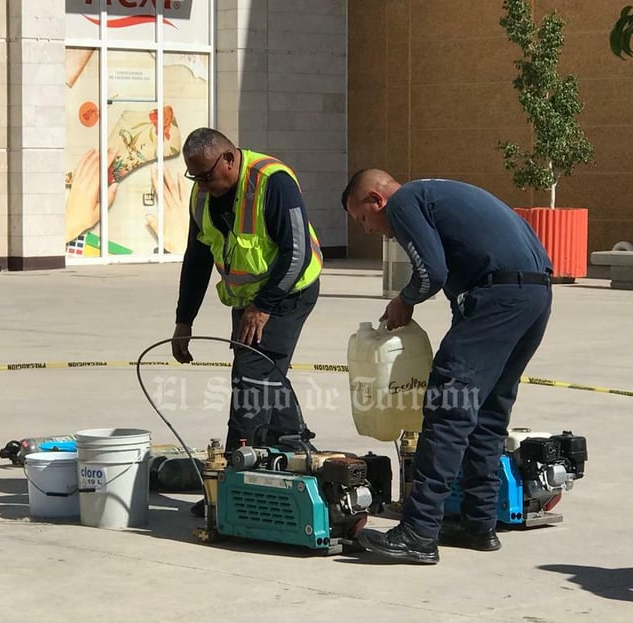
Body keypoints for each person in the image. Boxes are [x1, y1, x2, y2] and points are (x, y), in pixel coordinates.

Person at [342, 169, 552, 564]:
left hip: (496, 298)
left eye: (362, 219)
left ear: (376, 200)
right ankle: (479, 524)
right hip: (534, 294)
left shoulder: (405, 202)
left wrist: (404, 300)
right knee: (488, 413)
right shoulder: (438, 194)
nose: (369, 230)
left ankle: (419, 531)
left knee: (447, 408)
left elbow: (431, 273)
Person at [171, 128, 323, 493]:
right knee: (267, 374)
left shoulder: (273, 181)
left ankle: (233, 487)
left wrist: (264, 306)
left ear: (228, 158)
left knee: (250, 381)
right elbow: (196, 259)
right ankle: (297, 450)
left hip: (289, 292)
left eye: (207, 175)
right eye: (196, 177)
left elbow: (296, 252)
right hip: (248, 298)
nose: (203, 184)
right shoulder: (202, 195)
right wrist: (184, 319)